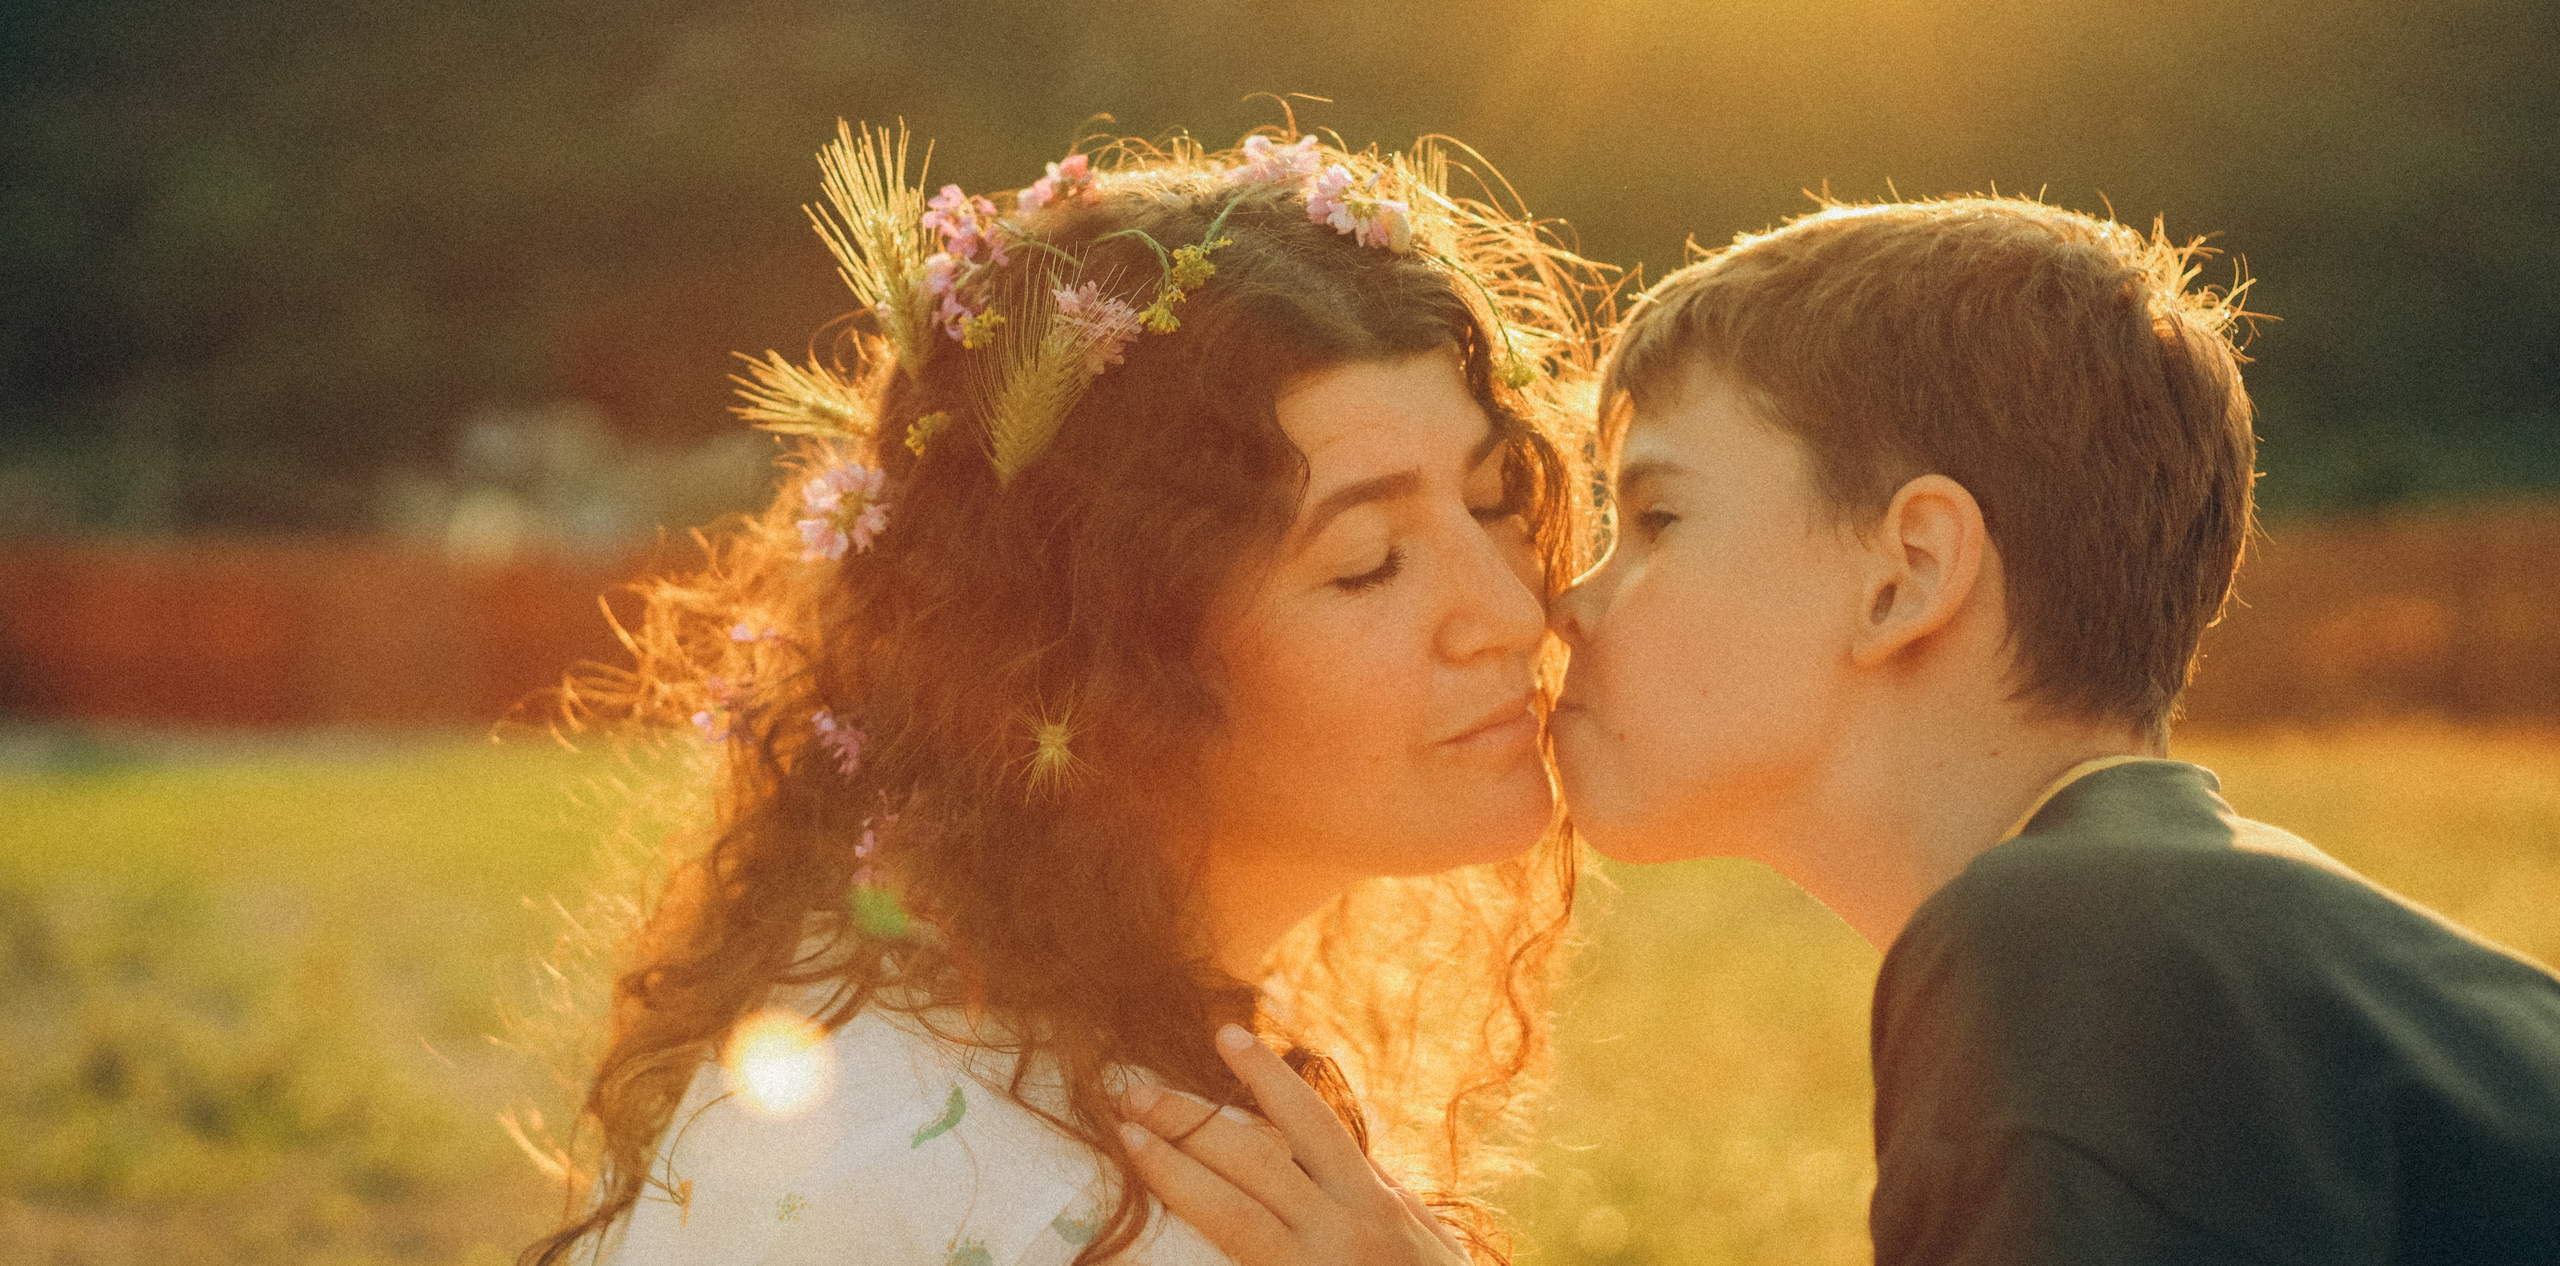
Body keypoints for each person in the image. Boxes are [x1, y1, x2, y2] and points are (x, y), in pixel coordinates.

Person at [1119, 196, 2560, 1264]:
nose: (1563, 601)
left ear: (1907, 571)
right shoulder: (2195, 931)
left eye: (1659, 514)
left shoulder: (2084, 942)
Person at [518, 122, 1608, 1266]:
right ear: (1102, 662)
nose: (1514, 613)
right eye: (1367, 561)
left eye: (1493, 500)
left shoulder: (1129, 1063)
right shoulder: (941, 1177)